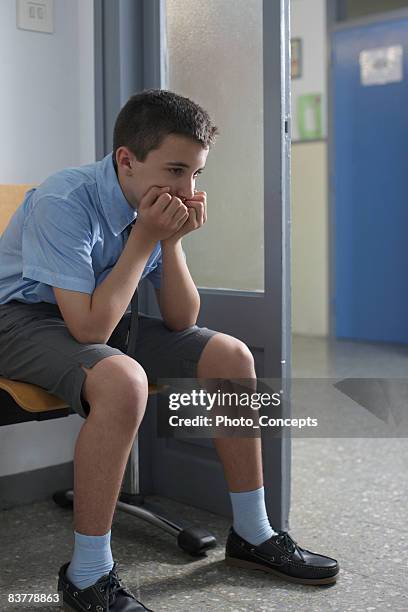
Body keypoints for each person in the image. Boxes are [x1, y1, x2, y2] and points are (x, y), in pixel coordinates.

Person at [0, 90, 339, 611]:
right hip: (20, 319)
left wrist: (170, 243)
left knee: (231, 356)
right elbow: (90, 329)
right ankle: (88, 574)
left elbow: (183, 320)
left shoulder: (149, 205)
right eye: (175, 170)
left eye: (197, 174)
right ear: (126, 160)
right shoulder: (62, 202)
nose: (187, 189)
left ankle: (253, 532)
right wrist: (142, 241)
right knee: (123, 379)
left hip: (95, 313)